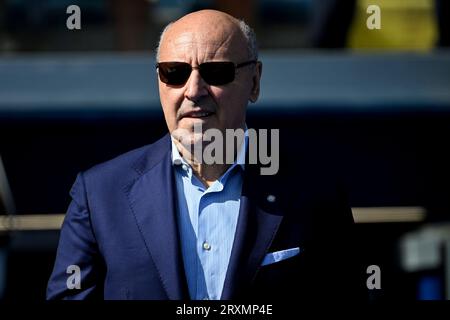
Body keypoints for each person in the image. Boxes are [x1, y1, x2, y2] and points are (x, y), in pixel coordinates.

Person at [47, 9, 362, 300]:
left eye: (216, 72)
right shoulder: (101, 192)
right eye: (174, 72)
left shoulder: (316, 188)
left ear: (254, 82)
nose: (193, 90)